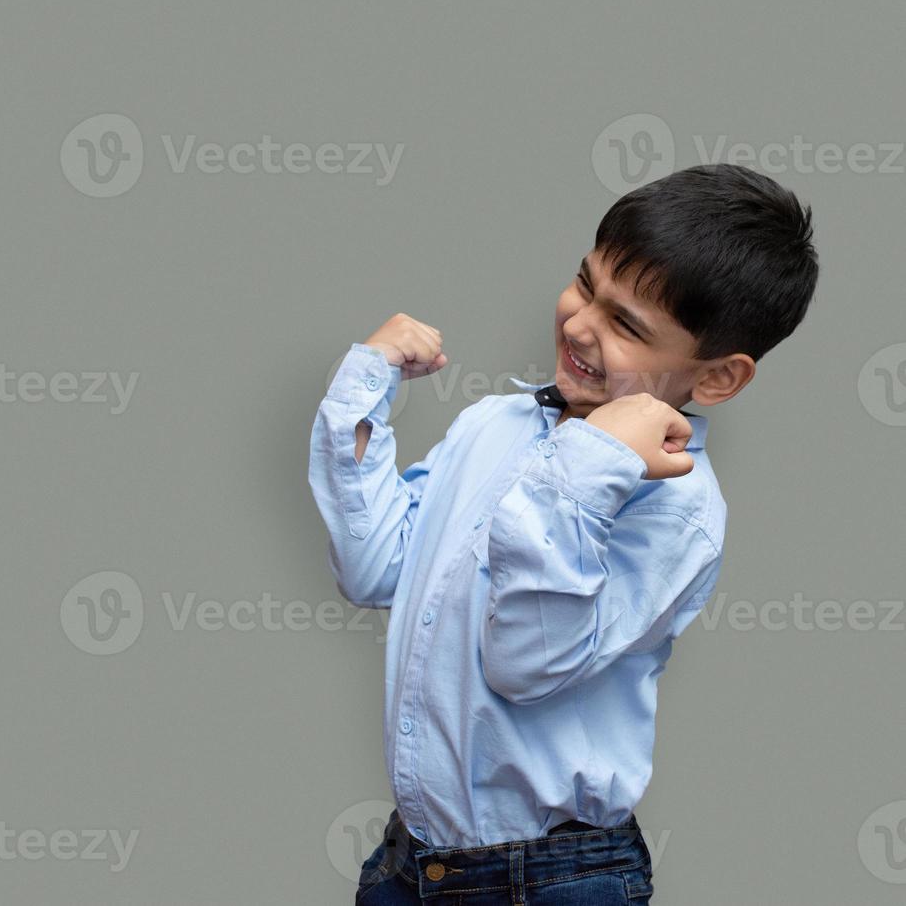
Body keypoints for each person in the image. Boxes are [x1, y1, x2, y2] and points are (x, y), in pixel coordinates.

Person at [308, 164, 819, 904]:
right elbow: (375, 567)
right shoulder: (496, 425)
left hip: (547, 879)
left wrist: (588, 464)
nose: (579, 325)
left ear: (714, 380)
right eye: (585, 286)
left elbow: (528, 659)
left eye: (626, 325)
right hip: (412, 864)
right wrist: (364, 387)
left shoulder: (674, 510)